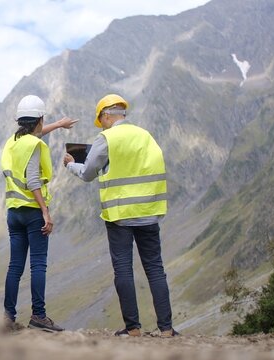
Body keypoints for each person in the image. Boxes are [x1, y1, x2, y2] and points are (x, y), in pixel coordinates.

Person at [63, 94, 179, 338]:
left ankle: (133, 328)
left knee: (123, 270)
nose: (102, 125)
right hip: (149, 213)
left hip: (119, 215)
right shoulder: (145, 135)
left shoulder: (106, 138)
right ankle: (167, 329)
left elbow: (88, 174)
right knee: (155, 269)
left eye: (101, 120)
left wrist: (71, 164)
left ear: (106, 116)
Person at [0, 95, 77, 332]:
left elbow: (34, 135)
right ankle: (39, 316)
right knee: (38, 265)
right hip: (33, 213)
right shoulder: (34, 146)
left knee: (15, 266)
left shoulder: (13, 142)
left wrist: (58, 125)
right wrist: (46, 212)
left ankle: (7, 316)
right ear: (40, 119)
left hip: (14, 212)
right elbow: (33, 179)